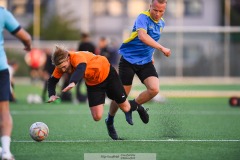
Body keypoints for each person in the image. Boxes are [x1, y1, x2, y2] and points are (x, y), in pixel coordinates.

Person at [47, 45, 147, 140]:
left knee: (126, 107)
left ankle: (138, 107)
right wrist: (51, 94)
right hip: (93, 83)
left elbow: (81, 68)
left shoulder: (77, 57)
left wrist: (73, 82)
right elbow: (52, 80)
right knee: (97, 116)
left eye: (64, 66)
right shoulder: (60, 66)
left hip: (108, 74)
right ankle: (109, 122)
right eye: (61, 68)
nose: (63, 70)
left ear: (68, 58)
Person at [106, 0, 171, 126]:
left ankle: (134, 106)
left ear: (164, 10)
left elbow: (151, 40)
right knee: (121, 95)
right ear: (150, 6)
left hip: (145, 62)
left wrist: (151, 54)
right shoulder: (143, 17)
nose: (157, 14)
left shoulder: (162, 23)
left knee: (154, 89)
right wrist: (162, 48)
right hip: (129, 60)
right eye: (155, 10)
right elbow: (142, 36)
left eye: (161, 11)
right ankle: (110, 120)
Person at [0, 7, 31, 160]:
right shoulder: (2, 13)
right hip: (0, 68)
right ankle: (6, 152)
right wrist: (28, 46)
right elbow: (26, 37)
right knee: (4, 111)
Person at [75, 33, 96, 103]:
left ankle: (78, 98)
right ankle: (89, 98)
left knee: (79, 82)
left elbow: (77, 55)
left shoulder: (81, 45)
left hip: (82, 66)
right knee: (89, 83)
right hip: (90, 66)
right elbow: (94, 56)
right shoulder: (92, 45)